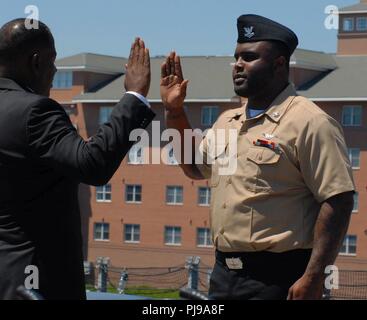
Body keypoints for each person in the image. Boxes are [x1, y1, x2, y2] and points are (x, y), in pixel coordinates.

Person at [160, 14, 355, 300]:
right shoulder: (228, 121)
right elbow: (193, 167)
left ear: (279, 64)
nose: (238, 65)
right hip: (224, 275)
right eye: (236, 57)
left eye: (249, 57)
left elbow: (338, 200)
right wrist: (174, 112)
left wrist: (314, 277)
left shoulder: (309, 122)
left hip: (280, 279)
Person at [0, 18, 155, 300]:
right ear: (36, 62)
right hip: (35, 284)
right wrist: (134, 96)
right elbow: (92, 164)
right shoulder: (34, 112)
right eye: (53, 61)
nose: (55, 70)